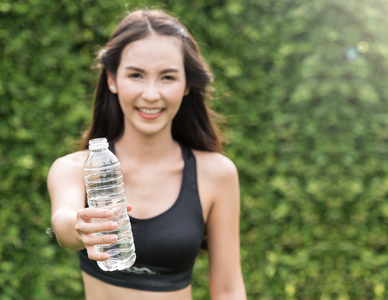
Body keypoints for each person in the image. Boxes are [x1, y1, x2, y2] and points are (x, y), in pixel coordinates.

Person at [47, 9, 246, 300]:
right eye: (136, 75)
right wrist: (81, 228)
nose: (151, 94)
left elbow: (228, 290)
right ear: (112, 79)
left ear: (187, 84)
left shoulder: (217, 173)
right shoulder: (73, 168)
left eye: (167, 77)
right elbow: (64, 225)